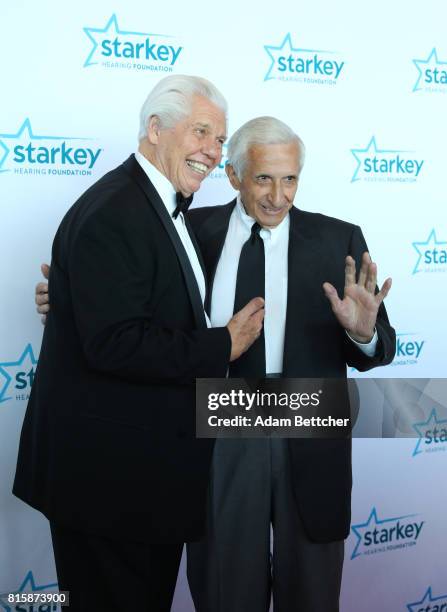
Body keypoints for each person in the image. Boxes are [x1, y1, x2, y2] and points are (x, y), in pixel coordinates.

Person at [35, 117, 396, 611]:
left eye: (290, 179)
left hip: (310, 425)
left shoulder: (340, 240)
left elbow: (381, 345)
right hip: (220, 422)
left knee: (312, 595)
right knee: (227, 592)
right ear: (233, 176)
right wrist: (78, 295)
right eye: (264, 178)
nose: (278, 196)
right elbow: (136, 309)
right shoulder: (190, 232)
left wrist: (364, 333)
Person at [14, 75, 264, 612]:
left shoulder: (156, 206)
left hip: (139, 484)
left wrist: (76, 302)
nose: (213, 152)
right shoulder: (117, 211)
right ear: (155, 129)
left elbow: (122, 313)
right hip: (109, 488)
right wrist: (224, 344)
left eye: (220, 140)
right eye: (201, 132)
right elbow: (117, 343)